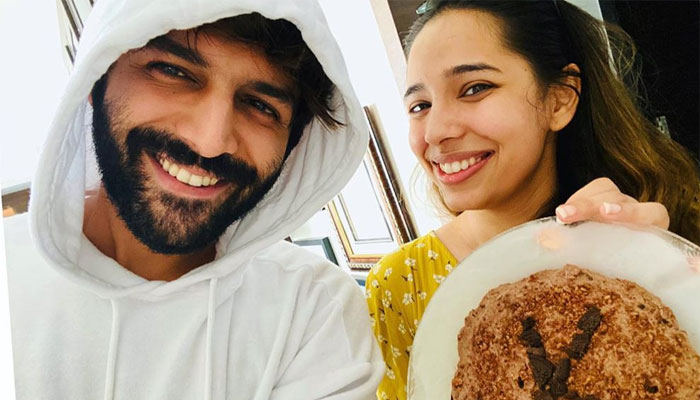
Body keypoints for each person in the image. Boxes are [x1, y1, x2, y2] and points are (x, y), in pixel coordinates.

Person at [5, 0, 384, 398]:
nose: (210, 141)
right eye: (173, 72)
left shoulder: (312, 310)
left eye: (260, 105)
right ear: (96, 76)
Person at [365, 1, 700, 398]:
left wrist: (664, 270)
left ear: (559, 99)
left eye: (475, 88)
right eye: (420, 106)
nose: (435, 131)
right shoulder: (398, 286)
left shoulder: (666, 219)